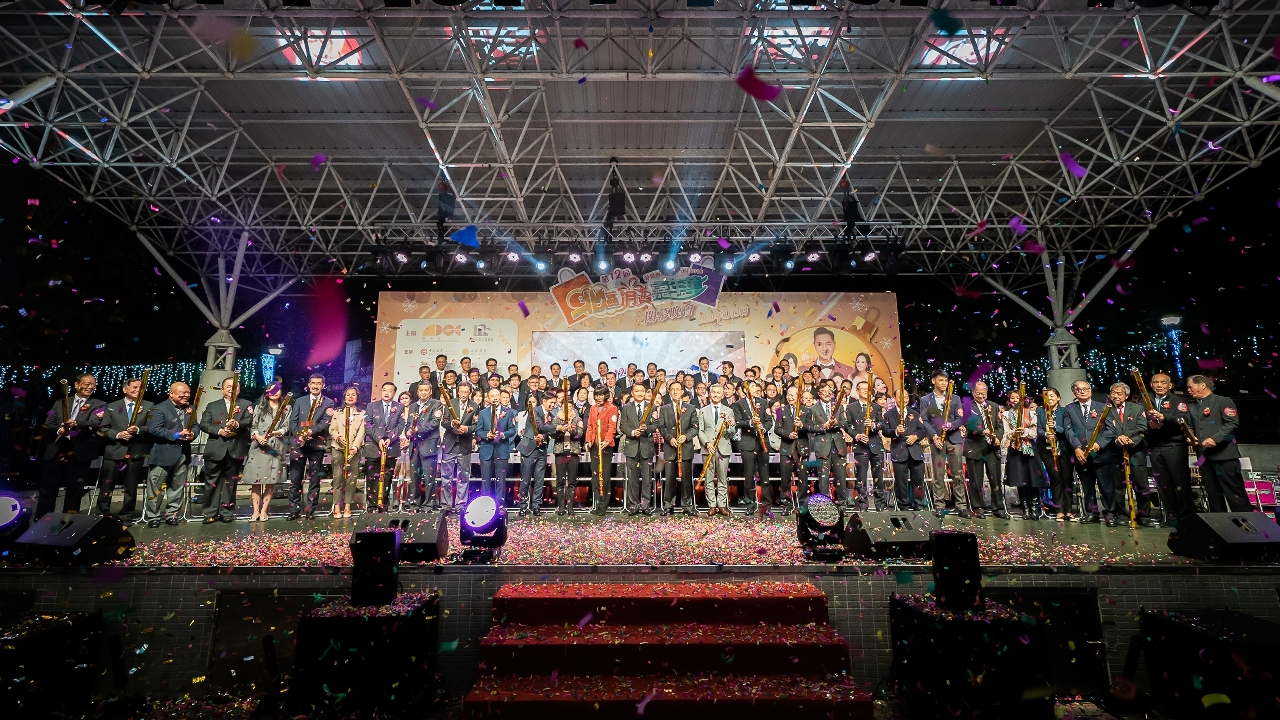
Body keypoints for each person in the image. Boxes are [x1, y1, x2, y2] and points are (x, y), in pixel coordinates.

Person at [38, 373, 105, 518]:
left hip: (80, 451)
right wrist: (59, 430)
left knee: (74, 491)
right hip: (57, 449)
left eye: (93, 385)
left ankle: (68, 522)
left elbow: (94, 423)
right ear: (76, 385)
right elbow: (48, 423)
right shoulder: (60, 402)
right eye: (87, 384)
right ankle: (42, 520)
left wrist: (75, 424)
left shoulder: (99, 404)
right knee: (48, 488)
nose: (90, 387)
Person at [1187, 375, 1250, 512]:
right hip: (1204, 457)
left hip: (1225, 456)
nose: (1188, 390)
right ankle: (1219, 524)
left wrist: (1215, 439)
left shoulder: (1222, 401)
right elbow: (1190, 426)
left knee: (1234, 493)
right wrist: (1190, 436)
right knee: (1213, 495)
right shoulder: (1192, 407)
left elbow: (1232, 423)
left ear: (1202, 385)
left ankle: (1246, 523)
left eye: (1190, 386)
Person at [96, 376, 153, 525]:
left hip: (135, 451)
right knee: (107, 485)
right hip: (114, 451)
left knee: (131, 486)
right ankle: (102, 515)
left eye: (141, 388)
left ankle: (126, 516)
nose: (138, 390)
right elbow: (102, 429)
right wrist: (118, 434)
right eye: (134, 387)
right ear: (125, 389)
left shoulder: (149, 405)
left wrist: (138, 430)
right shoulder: (112, 406)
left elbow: (151, 427)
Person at [1062, 380, 1118, 525]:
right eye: (1078, 389)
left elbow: (1111, 429)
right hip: (1082, 455)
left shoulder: (1103, 407)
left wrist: (1099, 444)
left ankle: (1110, 513)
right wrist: (1077, 448)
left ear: (1091, 391)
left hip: (1101, 453)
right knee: (1087, 486)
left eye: (1085, 389)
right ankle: (1092, 513)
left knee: (1106, 486)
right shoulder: (1069, 408)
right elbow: (1068, 430)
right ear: (1074, 392)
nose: (1082, 391)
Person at [199, 376, 253, 523]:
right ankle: (209, 512)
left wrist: (237, 424)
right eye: (228, 386)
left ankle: (226, 512)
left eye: (235, 386)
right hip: (215, 449)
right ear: (222, 389)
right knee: (211, 482)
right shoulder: (212, 406)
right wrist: (219, 431)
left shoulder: (246, 404)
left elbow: (249, 421)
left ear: (239, 390)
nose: (232, 388)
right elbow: (204, 424)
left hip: (235, 449)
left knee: (230, 483)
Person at [1145, 372, 1196, 524]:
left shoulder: (1178, 401)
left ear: (1170, 385)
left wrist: (1163, 418)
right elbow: (1139, 419)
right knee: (1162, 483)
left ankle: (1188, 516)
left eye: (1163, 382)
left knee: (1181, 482)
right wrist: (1149, 425)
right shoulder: (1145, 401)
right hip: (1154, 446)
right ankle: (1171, 516)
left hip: (1174, 445)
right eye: (1156, 382)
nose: (1159, 385)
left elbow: (1183, 419)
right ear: (1151, 384)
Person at [143, 382, 196, 528]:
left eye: (188, 392)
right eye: (182, 392)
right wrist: (177, 435)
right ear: (171, 393)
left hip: (183, 454)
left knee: (177, 487)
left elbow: (195, 426)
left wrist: (193, 434)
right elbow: (153, 429)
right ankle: (153, 516)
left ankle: (172, 514)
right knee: (156, 487)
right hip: (162, 454)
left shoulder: (191, 409)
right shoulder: (159, 408)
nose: (186, 395)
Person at [919, 370, 969, 516]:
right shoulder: (925, 400)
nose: (944, 383)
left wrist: (951, 425)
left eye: (946, 381)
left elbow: (961, 418)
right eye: (940, 380)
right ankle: (939, 505)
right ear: (933, 381)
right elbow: (925, 421)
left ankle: (961, 506)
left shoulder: (955, 398)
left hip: (954, 439)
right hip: (937, 441)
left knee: (957, 474)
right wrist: (934, 436)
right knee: (938, 474)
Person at [1109, 382, 1158, 526]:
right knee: (1118, 486)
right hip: (1116, 451)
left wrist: (1128, 438)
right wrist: (1118, 438)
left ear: (1126, 395)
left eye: (1119, 393)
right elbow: (1105, 429)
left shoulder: (1137, 408)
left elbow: (1142, 427)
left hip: (1136, 450)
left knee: (1141, 484)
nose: (1115, 396)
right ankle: (1121, 514)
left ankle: (1144, 515)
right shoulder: (1106, 410)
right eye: (1113, 393)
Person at [287, 373, 333, 520]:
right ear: (308, 385)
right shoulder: (300, 401)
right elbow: (293, 421)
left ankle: (310, 510)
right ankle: (294, 510)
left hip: (316, 444)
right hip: (298, 444)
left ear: (323, 385)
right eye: (313, 383)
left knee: (314, 480)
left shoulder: (329, 402)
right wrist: (299, 435)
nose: (315, 386)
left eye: (318, 383)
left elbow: (325, 422)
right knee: (295, 478)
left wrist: (311, 432)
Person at [243, 381, 290, 522]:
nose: (274, 392)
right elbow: (253, 427)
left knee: (271, 480)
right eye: (271, 389)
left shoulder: (286, 407)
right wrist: (258, 437)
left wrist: (275, 432)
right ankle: (255, 511)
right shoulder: (259, 407)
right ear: (266, 392)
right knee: (256, 481)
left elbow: (286, 427)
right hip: (258, 448)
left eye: (277, 389)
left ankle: (264, 510)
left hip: (275, 448)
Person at [962, 381, 1006, 519]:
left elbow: (1000, 426)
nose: (980, 396)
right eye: (977, 393)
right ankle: (978, 507)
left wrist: (997, 438)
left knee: (995, 479)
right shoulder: (967, 406)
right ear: (972, 393)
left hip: (992, 448)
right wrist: (982, 431)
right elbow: (967, 424)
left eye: (983, 393)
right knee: (976, 480)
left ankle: (998, 508)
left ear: (987, 392)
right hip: (974, 447)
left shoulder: (994, 406)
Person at [883, 392, 932, 511]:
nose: (904, 399)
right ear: (895, 398)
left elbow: (922, 430)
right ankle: (903, 506)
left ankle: (918, 504)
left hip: (915, 451)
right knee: (901, 482)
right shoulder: (888, 414)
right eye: (901, 397)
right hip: (899, 452)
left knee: (918, 480)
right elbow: (885, 431)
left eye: (906, 397)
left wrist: (916, 437)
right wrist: (895, 431)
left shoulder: (915, 413)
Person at [1000, 389, 1044, 521]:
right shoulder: (1006, 414)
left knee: (1033, 478)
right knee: (1020, 479)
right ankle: (1025, 508)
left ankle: (1034, 507)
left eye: (1017, 397)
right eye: (1012, 398)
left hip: (1030, 449)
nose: (1015, 400)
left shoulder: (1031, 413)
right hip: (1015, 449)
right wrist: (1014, 433)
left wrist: (1024, 431)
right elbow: (1006, 432)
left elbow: (1034, 433)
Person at [803, 383, 849, 505]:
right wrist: (824, 426)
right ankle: (825, 505)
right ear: (819, 393)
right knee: (823, 478)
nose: (827, 393)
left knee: (841, 477)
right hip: (822, 447)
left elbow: (845, 423)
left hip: (838, 445)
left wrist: (836, 423)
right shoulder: (813, 409)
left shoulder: (838, 406)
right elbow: (809, 427)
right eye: (824, 391)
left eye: (830, 391)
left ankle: (842, 504)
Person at [733, 381, 773, 514]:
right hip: (747, 443)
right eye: (752, 386)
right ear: (745, 390)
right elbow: (737, 422)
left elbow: (769, 421)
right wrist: (750, 422)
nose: (755, 388)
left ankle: (766, 505)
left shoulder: (764, 402)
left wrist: (763, 428)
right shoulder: (739, 404)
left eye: (756, 386)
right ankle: (750, 504)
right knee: (748, 476)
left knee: (764, 475)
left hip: (762, 443)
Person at [847, 381, 886, 511]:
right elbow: (847, 426)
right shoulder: (851, 407)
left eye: (867, 389)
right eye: (862, 389)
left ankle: (880, 506)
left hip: (876, 446)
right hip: (860, 447)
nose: (865, 391)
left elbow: (882, 423)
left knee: (879, 477)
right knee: (861, 478)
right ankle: (863, 505)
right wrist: (857, 435)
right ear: (857, 390)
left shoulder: (876, 407)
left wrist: (874, 425)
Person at [658, 381, 696, 516]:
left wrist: (686, 436)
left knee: (686, 479)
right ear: (669, 391)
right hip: (670, 448)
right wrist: (670, 438)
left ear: (682, 391)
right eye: (672, 389)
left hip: (685, 448)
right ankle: (668, 505)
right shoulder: (664, 409)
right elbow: (661, 427)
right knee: (669, 479)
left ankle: (687, 505)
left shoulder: (690, 408)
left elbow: (695, 427)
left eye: (678, 389)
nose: (675, 392)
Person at [439, 383, 479, 510]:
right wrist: (452, 424)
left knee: (463, 477)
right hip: (450, 443)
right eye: (461, 391)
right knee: (446, 476)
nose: (463, 394)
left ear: (470, 393)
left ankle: (460, 504)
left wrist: (467, 429)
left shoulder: (474, 406)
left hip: (464, 444)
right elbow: (444, 422)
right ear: (458, 391)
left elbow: (476, 425)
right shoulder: (450, 403)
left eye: (466, 392)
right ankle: (446, 504)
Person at [516, 393, 556, 516]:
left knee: (539, 480)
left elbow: (553, 434)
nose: (553, 405)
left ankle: (536, 505)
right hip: (529, 449)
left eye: (555, 403)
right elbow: (540, 426)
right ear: (544, 401)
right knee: (525, 479)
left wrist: (563, 428)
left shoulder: (552, 416)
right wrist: (557, 427)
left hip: (542, 450)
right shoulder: (535, 411)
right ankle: (523, 506)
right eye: (551, 402)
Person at [697, 384, 735, 516]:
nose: (716, 394)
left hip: (723, 448)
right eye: (713, 392)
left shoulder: (729, 411)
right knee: (708, 478)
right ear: (709, 394)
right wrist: (707, 443)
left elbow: (732, 432)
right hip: (708, 448)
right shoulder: (703, 411)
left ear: (722, 395)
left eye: (718, 393)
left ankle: (722, 505)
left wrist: (729, 426)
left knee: (722, 478)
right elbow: (700, 430)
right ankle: (712, 505)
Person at [620, 384, 657, 515]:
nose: (640, 393)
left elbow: (656, 425)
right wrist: (632, 432)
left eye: (642, 391)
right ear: (632, 392)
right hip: (632, 446)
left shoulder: (652, 407)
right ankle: (633, 505)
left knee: (647, 479)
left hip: (647, 447)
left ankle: (646, 505)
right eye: (637, 391)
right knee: (632, 479)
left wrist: (647, 428)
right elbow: (622, 425)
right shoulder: (626, 407)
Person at [1037, 388, 1074, 521]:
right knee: (1055, 478)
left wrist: (1055, 428)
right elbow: (1037, 429)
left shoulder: (1065, 411)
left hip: (1064, 448)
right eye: (1047, 396)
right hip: (1046, 449)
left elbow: (1068, 428)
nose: (1050, 398)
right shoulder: (1040, 411)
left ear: (1058, 397)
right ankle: (1059, 510)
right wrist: (1045, 433)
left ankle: (1069, 510)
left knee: (1067, 478)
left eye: (1052, 396)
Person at [327, 387, 365, 519]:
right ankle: (337, 506)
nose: (350, 397)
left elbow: (361, 432)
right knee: (337, 477)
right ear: (344, 397)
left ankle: (348, 506)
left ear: (357, 397)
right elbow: (332, 429)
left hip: (354, 450)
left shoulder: (362, 414)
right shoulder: (337, 412)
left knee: (351, 478)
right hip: (338, 448)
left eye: (353, 395)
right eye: (348, 394)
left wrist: (355, 447)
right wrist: (338, 437)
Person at [407, 383, 444, 509]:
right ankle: (415, 504)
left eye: (426, 390)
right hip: (414, 445)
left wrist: (418, 429)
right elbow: (408, 423)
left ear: (430, 391)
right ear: (417, 392)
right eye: (421, 390)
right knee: (414, 477)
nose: (423, 392)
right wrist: (408, 431)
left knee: (429, 477)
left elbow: (434, 422)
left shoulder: (436, 404)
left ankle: (429, 504)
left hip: (429, 445)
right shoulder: (413, 406)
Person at [475, 388, 515, 501]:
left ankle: (499, 504)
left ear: (500, 397)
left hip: (502, 449)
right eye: (492, 396)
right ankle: (485, 504)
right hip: (486, 450)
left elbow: (513, 430)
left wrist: (503, 434)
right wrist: (487, 435)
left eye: (497, 395)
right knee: (485, 480)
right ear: (488, 398)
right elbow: (478, 431)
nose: (495, 398)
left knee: (501, 480)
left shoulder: (508, 412)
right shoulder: (483, 413)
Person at [584, 387, 619, 515]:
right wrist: (588, 441)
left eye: (601, 395)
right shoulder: (592, 408)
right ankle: (597, 504)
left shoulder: (612, 408)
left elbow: (612, 427)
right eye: (597, 395)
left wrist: (607, 440)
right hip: (594, 445)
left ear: (606, 395)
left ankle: (603, 505)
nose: (598, 397)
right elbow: (589, 426)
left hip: (606, 446)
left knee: (604, 476)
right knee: (595, 476)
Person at [551, 387, 584, 515]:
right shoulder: (556, 419)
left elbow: (579, 434)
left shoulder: (578, 419)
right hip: (560, 452)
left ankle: (570, 507)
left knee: (571, 481)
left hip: (573, 452)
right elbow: (552, 434)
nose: (568, 408)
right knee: (560, 481)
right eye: (566, 406)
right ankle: (561, 507)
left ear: (573, 407)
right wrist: (561, 430)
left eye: (570, 406)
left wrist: (572, 430)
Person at [776, 385, 809, 511]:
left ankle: (802, 503)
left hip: (801, 448)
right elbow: (777, 429)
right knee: (785, 478)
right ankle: (786, 504)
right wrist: (788, 434)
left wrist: (801, 425)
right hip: (786, 448)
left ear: (798, 396)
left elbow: (811, 428)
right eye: (788, 395)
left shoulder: (807, 410)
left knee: (803, 478)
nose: (790, 397)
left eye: (792, 395)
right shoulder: (780, 410)